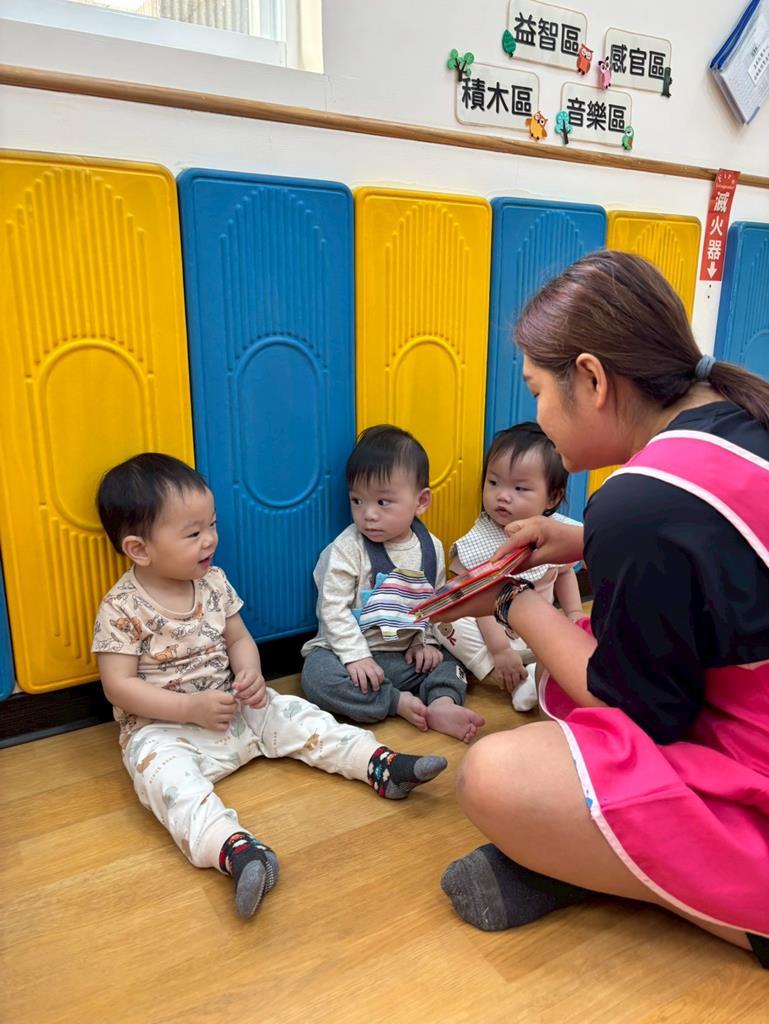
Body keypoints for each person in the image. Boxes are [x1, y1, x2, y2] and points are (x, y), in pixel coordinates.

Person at [434, 250, 769, 968]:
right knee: (579, 644)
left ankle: (657, 883)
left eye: (536, 390)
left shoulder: (640, 500)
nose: (537, 417)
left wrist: (511, 602)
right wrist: (586, 541)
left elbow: (643, 711)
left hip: (754, 763)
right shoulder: (741, 414)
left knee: (493, 775)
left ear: (590, 378)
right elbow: (726, 552)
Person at [92, 453, 448, 921]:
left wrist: (251, 674)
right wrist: (189, 710)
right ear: (140, 549)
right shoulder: (121, 608)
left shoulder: (213, 582)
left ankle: (379, 763)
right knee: (166, 781)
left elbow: (239, 639)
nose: (211, 539)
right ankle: (236, 851)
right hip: (163, 729)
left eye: (212, 525)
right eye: (193, 533)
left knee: (299, 715)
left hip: (235, 707)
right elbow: (118, 687)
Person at [301, 425, 485, 743]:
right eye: (357, 500)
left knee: (452, 661)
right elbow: (332, 609)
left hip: (402, 657)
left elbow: (433, 605)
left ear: (421, 501)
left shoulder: (431, 547)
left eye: (383, 502)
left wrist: (425, 642)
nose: (368, 514)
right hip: (350, 655)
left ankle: (442, 703)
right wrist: (356, 656)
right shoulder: (347, 548)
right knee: (316, 676)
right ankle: (395, 702)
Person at [436, 423, 583, 711]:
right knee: (447, 626)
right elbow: (476, 599)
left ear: (552, 497)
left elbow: (564, 573)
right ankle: (516, 680)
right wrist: (500, 649)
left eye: (520, 488)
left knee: (568, 636)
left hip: (538, 633)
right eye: (494, 483)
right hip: (492, 635)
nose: (503, 496)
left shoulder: (556, 533)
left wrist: (575, 614)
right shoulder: (479, 540)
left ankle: (540, 671)